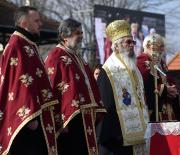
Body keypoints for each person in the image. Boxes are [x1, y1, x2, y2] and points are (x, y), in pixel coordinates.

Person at [0, 6, 58, 155]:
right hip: (27, 120)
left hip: (35, 116)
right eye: (36, 20)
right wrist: (29, 116)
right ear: (25, 22)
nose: (40, 24)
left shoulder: (26, 44)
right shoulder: (16, 45)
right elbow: (19, 83)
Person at [44, 18, 105, 155]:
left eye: (82, 33)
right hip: (69, 121)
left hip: (85, 118)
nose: (81, 36)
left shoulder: (77, 56)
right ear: (65, 36)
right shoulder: (55, 57)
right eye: (78, 33)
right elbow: (50, 90)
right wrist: (58, 121)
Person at [97, 20, 149, 155]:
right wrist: (116, 135)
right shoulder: (108, 71)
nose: (132, 45)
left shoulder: (135, 69)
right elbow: (106, 106)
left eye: (133, 42)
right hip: (117, 137)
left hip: (140, 134)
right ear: (116, 46)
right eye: (128, 42)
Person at [136, 34, 180, 122]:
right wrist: (164, 89)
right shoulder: (141, 62)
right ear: (149, 46)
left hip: (169, 110)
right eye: (160, 46)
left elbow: (169, 80)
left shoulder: (161, 62)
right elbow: (144, 86)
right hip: (154, 111)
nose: (162, 50)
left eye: (163, 47)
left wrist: (173, 89)